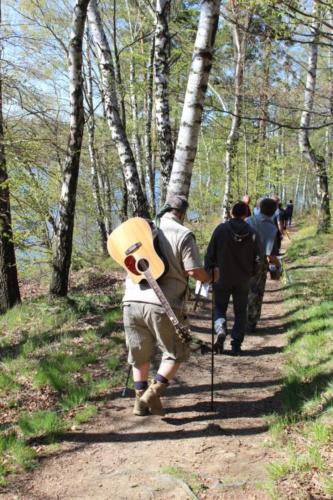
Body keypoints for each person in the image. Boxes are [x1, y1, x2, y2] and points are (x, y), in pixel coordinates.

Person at [122, 195, 215, 416]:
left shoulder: (141, 230)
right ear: (182, 214)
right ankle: (153, 392)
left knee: (139, 354)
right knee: (177, 351)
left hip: (131, 301)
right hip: (164, 304)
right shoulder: (183, 234)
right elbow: (194, 271)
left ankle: (139, 402)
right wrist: (210, 277)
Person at [204, 201, 262, 355]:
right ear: (245, 214)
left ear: (231, 213)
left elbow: (210, 254)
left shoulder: (221, 229)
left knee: (219, 307)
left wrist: (208, 272)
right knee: (240, 311)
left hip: (221, 277)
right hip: (243, 278)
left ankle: (220, 328)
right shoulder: (252, 232)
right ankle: (236, 344)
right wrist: (253, 273)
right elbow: (259, 258)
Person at [246, 197, 280, 333]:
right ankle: (251, 321)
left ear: (259, 208)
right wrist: (278, 265)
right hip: (259, 263)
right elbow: (271, 255)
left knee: (242, 290)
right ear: (273, 212)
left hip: (242, 260)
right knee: (256, 292)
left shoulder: (249, 221)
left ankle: (240, 319)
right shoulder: (272, 228)